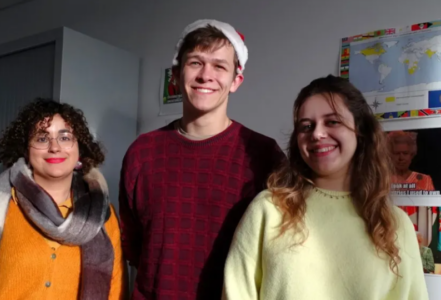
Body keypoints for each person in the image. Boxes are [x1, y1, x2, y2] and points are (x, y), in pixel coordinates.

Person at [119, 19, 285, 300]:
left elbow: (277, 249)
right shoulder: (142, 152)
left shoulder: (263, 155)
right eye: (195, 62)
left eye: (219, 66)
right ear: (176, 74)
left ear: (235, 81)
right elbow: (131, 242)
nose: (206, 75)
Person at [222, 75, 428, 299]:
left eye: (332, 122)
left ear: (360, 131)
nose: (317, 134)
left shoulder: (395, 223)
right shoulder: (268, 209)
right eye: (306, 126)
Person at [0, 99, 126, 300]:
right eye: (42, 138)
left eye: (65, 138)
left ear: (79, 150)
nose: (54, 147)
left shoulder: (103, 215)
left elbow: (116, 289)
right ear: (25, 150)